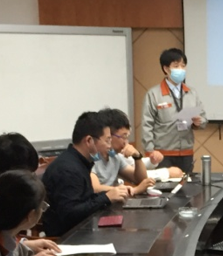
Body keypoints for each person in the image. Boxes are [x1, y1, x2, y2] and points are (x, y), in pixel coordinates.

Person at [43, 111, 126, 237]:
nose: (110, 146)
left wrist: (109, 195)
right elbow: (70, 213)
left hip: (83, 229)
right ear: (89, 141)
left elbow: (84, 200)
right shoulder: (68, 169)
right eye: (107, 140)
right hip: (68, 237)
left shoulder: (80, 162)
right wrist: (106, 197)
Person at [140, 47, 206, 175]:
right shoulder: (154, 94)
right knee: (165, 185)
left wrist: (198, 122)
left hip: (186, 152)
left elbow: (203, 118)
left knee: (186, 185)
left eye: (183, 66)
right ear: (166, 68)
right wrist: (150, 151)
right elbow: (146, 125)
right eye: (176, 66)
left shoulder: (191, 93)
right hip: (162, 154)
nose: (181, 69)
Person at [95, 107, 155, 195]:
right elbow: (95, 189)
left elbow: (141, 180)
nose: (126, 142)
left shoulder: (115, 157)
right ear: (108, 135)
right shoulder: (93, 157)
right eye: (124, 136)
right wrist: (133, 190)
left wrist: (137, 156)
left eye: (127, 137)